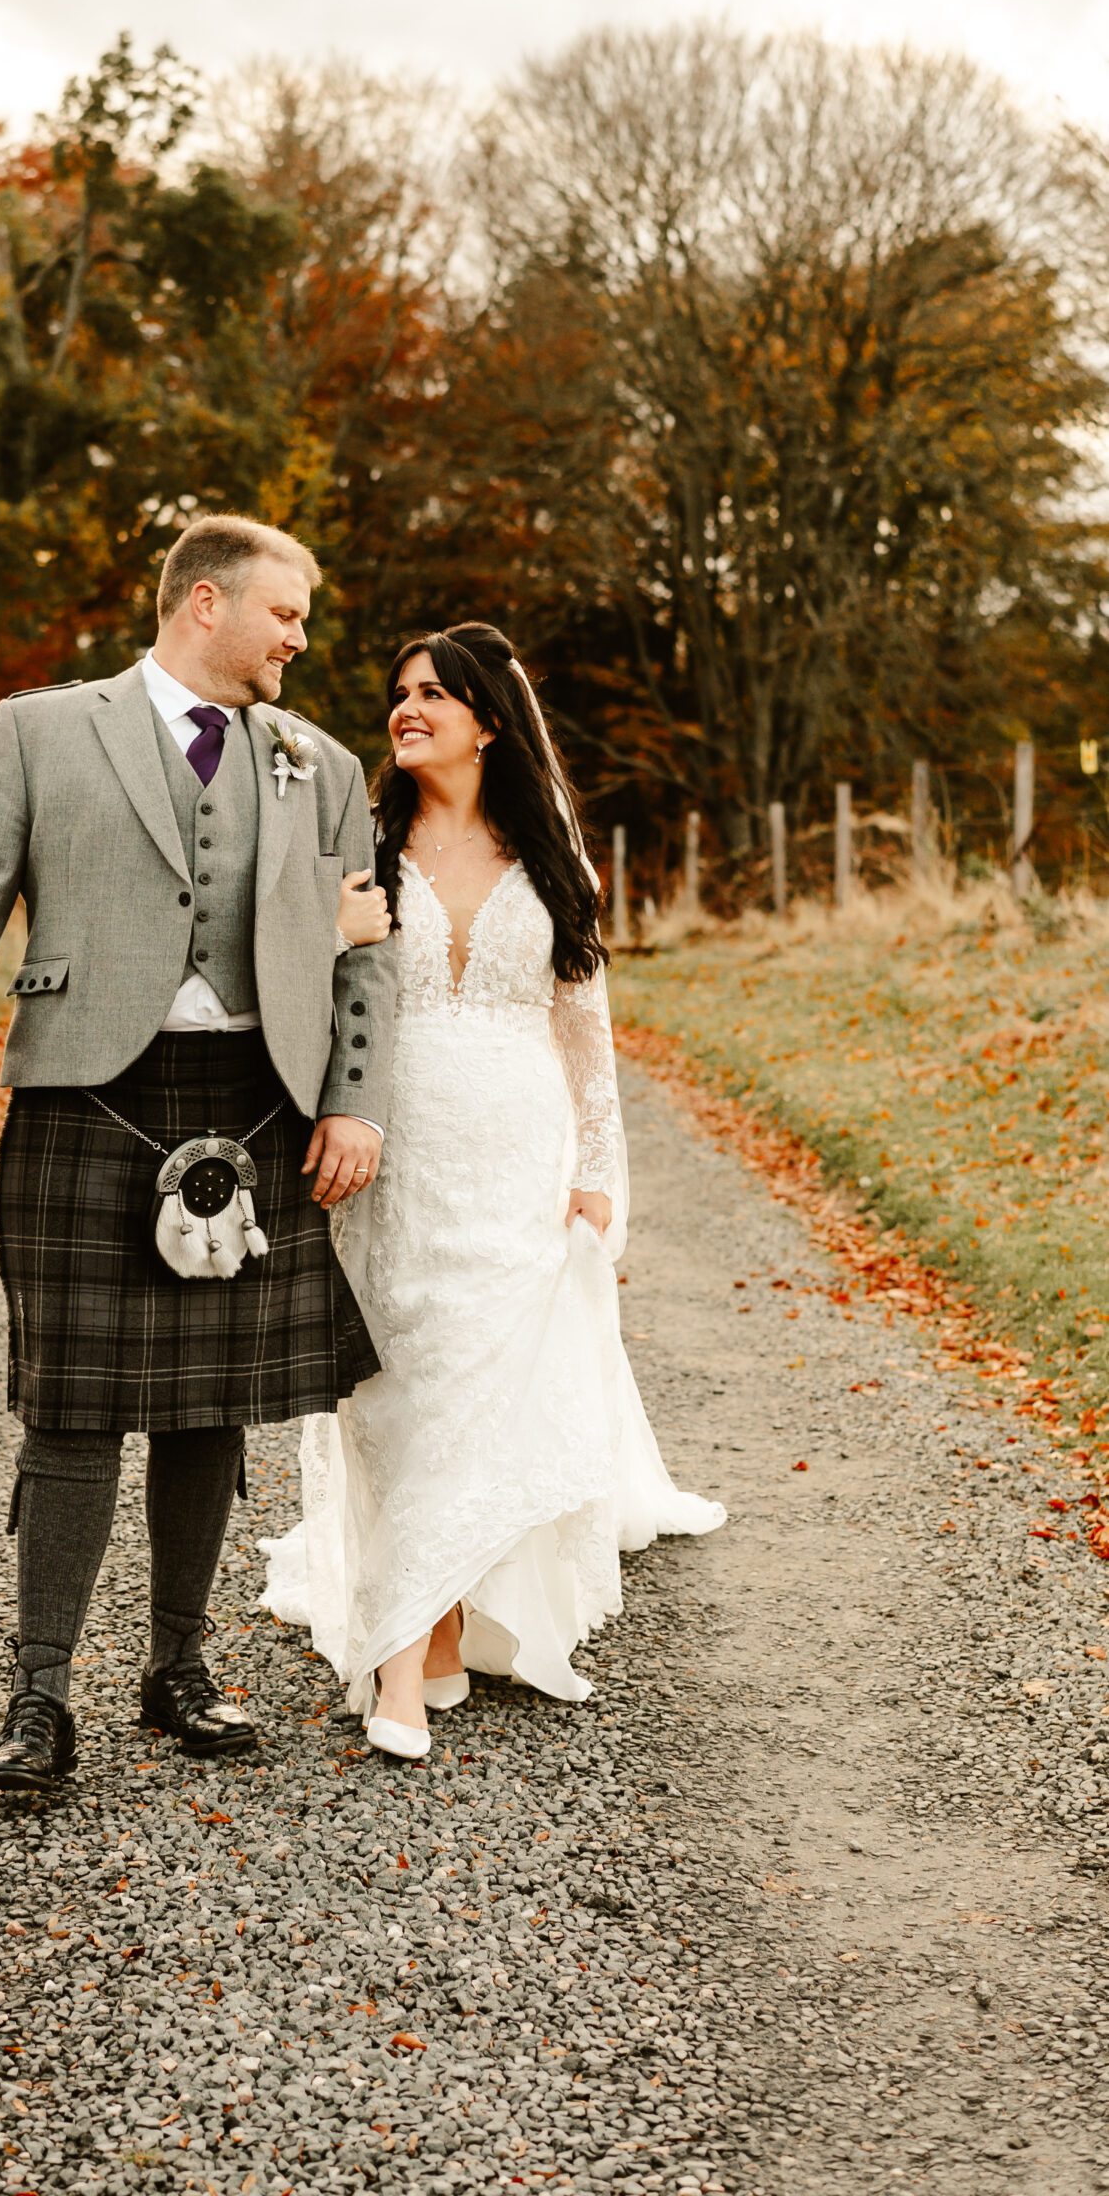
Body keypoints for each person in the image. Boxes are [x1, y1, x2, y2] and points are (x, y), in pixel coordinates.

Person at [0, 515, 397, 1792]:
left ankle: (179, 1669)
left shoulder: (318, 764)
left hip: (260, 1096)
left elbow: (365, 953)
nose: (301, 638)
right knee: (72, 1405)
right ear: (206, 602)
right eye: (286, 614)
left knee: (212, 1404)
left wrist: (357, 1101)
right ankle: (39, 1692)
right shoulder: (44, 729)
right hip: (87, 1092)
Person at [262, 621, 724, 1760]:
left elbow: (586, 1030)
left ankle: (408, 1652)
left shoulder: (550, 853)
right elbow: (288, 975)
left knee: (480, 1382)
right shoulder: (361, 840)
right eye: (398, 692)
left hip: (519, 1153)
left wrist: (603, 1177)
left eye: (433, 694)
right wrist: (324, 931)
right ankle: (418, 1627)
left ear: (489, 721)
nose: (406, 709)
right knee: (397, 1388)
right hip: (393, 1147)